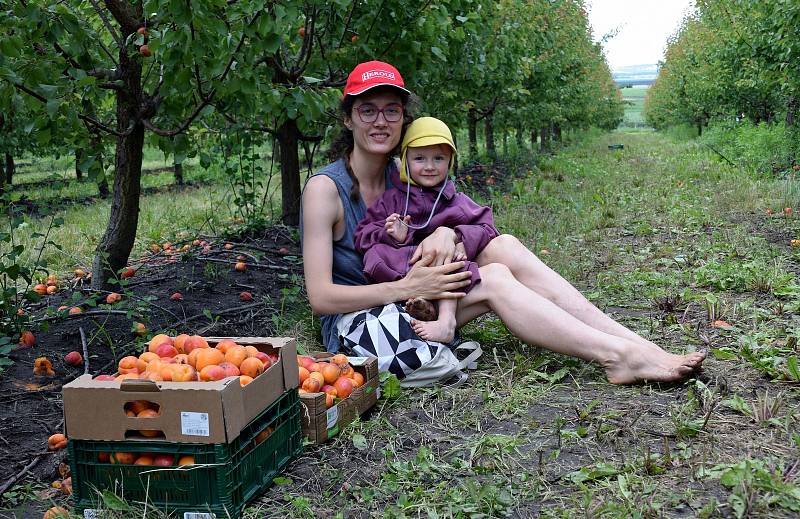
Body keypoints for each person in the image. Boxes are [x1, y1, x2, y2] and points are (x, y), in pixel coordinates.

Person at [300, 60, 706, 384]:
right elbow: (321, 298)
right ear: (348, 119)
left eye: (391, 110)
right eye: (367, 110)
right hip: (361, 324)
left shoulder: (407, 171)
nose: (380, 121)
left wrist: (447, 231)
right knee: (493, 278)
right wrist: (408, 285)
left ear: (404, 118)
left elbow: (472, 221)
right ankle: (617, 356)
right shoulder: (326, 190)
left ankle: (634, 343)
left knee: (505, 246)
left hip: (416, 299)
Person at [353, 116, 498, 344]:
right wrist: (391, 234)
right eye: (419, 158)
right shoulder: (392, 200)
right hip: (402, 272)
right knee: (377, 253)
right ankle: (420, 304)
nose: (429, 166)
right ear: (405, 161)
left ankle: (446, 321)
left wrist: (460, 240)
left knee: (445, 257)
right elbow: (362, 235)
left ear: (450, 161)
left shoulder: (455, 200)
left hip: (441, 270)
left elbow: (487, 226)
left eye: (438, 158)